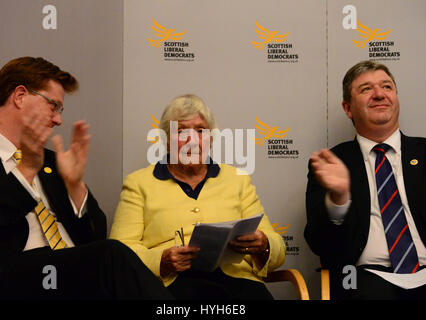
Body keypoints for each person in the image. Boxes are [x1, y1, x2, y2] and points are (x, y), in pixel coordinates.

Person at [0, 56, 172, 300]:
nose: (58, 119)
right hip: (12, 278)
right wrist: (24, 172)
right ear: (20, 96)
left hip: (72, 273)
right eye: (53, 105)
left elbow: (96, 237)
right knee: (112, 256)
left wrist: (75, 186)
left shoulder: (51, 161)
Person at [110, 94, 286, 300]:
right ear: (167, 140)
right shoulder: (139, 183)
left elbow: (278, 250)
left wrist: (263, 244)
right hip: (173, 285)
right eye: (182, 131)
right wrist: (161, 260)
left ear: (210, 139)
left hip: (239, 284)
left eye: (200, 131)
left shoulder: (237, 180)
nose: (191, 140)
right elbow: (119, 253)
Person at [305, 60, 426, 299]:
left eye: (387, 87)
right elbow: (320, 243)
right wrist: (339, 199)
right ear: (348, 108)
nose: (379, 94)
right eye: (366, 89)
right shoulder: (332, 162)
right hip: (363, 278)